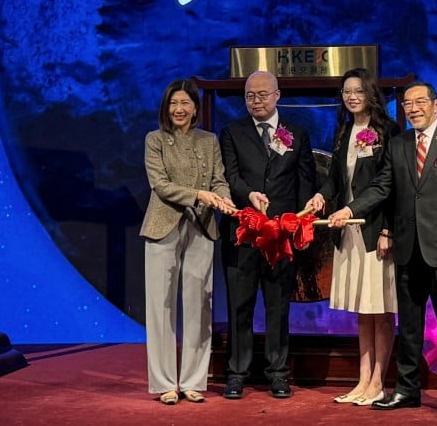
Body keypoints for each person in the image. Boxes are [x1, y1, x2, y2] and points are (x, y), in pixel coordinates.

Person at [328, 80, 437, 419]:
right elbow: (383, 187)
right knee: (409, 327)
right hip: (407, 247)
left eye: (420, 102)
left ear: (435, 105)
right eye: (408, 103)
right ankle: (407, 389)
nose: (413, 108)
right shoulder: (398, 145)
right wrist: (351, 210)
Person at [219, 70, 316, 400]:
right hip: (243, 234)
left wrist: (300, 222)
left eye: (262, 94)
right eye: (250, 96)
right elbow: (231, 176)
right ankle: (236, 373)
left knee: (278, 307)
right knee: (239, 306)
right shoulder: (231, 133)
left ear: (278, 96)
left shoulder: (298, 134)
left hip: (281, 237)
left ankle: (278, 372)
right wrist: (249, 195)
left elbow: (305, 183)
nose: (256, 101)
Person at [306, 68, 399, 407]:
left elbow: (389, 185)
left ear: (371, 92)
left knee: (382, 309)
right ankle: (362, 381)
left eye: (358, 90)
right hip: (349, 232)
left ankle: (378, 382)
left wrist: (387, 228)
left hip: (377, 232)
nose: (351, 96)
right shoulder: (344, 131)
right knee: (364, 309)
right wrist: (322, 197)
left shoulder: (389, 131)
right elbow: (335, 180)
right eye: (346, 91)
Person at [141, 78, 235, 406]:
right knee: (161, 306)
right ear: (166, 108)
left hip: (202, 227)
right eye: (173, 104)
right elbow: (161, 185)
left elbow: (219, 180)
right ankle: (165, 383)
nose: (179, 109)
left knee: (200, 305)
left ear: (196, 107)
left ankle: (194, 380)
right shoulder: (155, 140)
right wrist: (199, 194)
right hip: (162, 227)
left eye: (185, 103)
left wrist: (223, 200)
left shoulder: (209, 140)